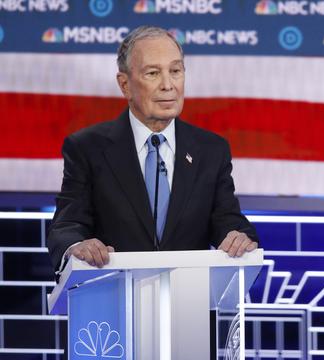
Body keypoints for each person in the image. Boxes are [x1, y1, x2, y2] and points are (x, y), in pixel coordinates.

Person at [47, 26, 258, 273]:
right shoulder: (87, 148)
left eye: (176, 71)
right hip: (112, 300)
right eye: (153, 73)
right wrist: (78, 245)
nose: (168, 85)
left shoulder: (211, 150)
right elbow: (68, 224)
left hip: (187, 303)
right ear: (124, 85)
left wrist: (238, 237)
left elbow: (227, 220)